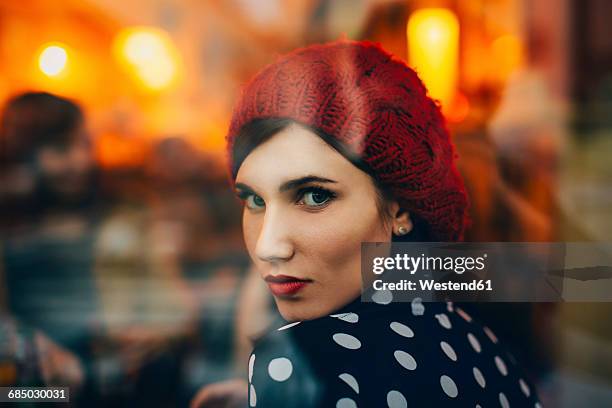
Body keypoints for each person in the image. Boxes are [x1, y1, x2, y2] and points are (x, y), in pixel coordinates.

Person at [199, 40, 543, 407]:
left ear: (400, 210)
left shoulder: (300, 362)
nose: (269, 245)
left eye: (315, 196)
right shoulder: (479, 347)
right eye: (254, 200)